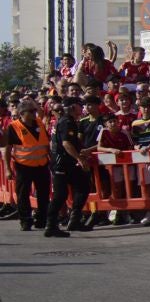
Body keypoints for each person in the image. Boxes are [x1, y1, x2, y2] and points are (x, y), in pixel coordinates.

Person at [4, 101, 52, 232]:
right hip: (23, 166)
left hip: (41, 165)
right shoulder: (14, 127)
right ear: (22, 113)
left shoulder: (39, 123)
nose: (34, 113)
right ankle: (25, 220)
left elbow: (46, 144)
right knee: (23, 194)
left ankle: (41, 219)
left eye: (34, 111)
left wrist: (51, 160)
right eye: (30, 112)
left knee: (43, 193)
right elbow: (8, 149)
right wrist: (8, 169)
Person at [48, 97, 93, 234]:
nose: (82, 108)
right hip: (62, 164)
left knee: (84, 184)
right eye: (80, 105)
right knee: (60, 195)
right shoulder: (67, 121)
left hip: (67, 163)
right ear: (73, 107)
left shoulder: (66, 121)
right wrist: (79, 158)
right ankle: (50, 225)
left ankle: (75, 220)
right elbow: (66, 143)